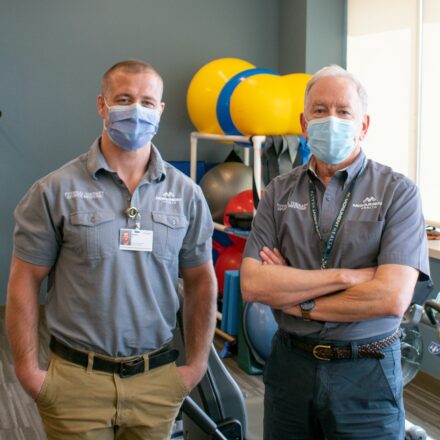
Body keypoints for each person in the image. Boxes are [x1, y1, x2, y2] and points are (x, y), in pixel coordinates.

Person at [6, 59, 217, 439]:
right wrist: (27, 370)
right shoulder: (53, 191)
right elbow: (24, 281)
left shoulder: (187, 194)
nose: (137, 110)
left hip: (156, 382)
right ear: (102, 106)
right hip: (76, 383)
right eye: (124, 98)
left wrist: (196, 367)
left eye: (148, 102)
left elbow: (201, 280)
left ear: (160, 110)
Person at [240, 65, 430, 440]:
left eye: (344, 112)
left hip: (368, 372)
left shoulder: (398, 193)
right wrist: (348, 277)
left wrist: (296, 300)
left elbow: (391, 297)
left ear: (364, 125)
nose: (332, 120)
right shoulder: (278, 192)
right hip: (291, 367)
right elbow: (254, 284)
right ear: (303, 122)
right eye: (320, 110)